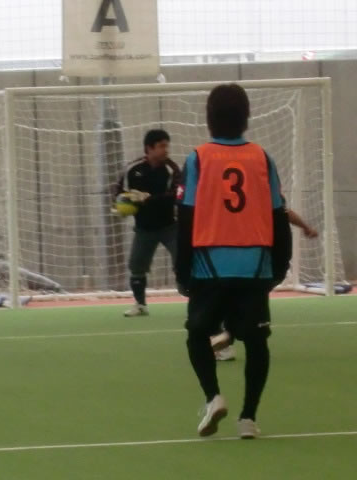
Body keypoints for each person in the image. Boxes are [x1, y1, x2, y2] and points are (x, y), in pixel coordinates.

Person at [175, 84, 292, 439]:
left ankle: (213, 397)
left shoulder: (198, 158)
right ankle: (248, 418)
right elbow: (278, 214)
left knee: (197, 333)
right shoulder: (262, 158)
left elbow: (186, 217)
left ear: (209, 117)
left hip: (208, 262)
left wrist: (182, 269)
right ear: (246, 116)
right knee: (257, 342)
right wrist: (281, 262)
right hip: (254, 262)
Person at [212, 207, 317, 361]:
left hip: (263, 258)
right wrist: (306, 227)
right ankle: (232, 334)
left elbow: (285, 212)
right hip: (270, 260)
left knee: (241, 294)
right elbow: (286, 212)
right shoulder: (269, 205)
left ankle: (230, 334)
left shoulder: (258, 207)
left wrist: (305, 227)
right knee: (246, 296)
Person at [114, 129, 180, 317]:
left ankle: (195, 302)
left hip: (170, 227)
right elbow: (119, 192)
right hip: (144, 228)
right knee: (136, 266)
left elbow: (175, 196)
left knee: (183, 263)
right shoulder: (132, 170)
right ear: (149, 148)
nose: (166, 150)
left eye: (167, 146)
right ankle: (140, 305)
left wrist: (148, 199)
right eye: (161, 146)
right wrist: (119, 206)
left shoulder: (172, 170)